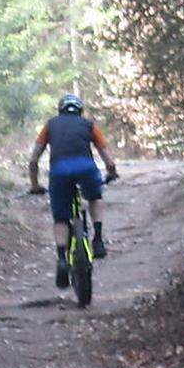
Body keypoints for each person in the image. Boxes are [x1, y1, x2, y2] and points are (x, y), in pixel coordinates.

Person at [29, 93, 119, 289]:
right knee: (95, 197)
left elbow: (34, 159)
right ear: (80, 110)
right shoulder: (89, 125)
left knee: (61, 219)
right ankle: (98, 239)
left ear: (60, 110)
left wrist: (35, 185)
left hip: (59, 172)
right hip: (86, 169)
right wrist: (111, 172)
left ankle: (62, 258)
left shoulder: (50, 125)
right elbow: (107, 157)